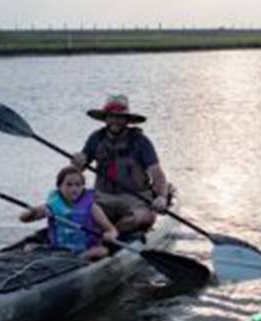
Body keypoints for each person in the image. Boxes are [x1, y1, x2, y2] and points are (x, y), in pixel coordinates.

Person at [73, 94, 170, 236]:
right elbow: (77, 171)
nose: (115, 121)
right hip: (102, 197)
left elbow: (157, 173)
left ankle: (109, 234)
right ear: (105, 119)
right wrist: (76, 163)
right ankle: (104, 233)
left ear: (127, 120)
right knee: (80, 215)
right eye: (111, 116)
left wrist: (161, 196)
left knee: (142, 218)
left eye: (119, 117)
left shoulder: (140, 141)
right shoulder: (96, 138)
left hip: (136, 198)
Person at [19, 165, 118, 262]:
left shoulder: (93, 208)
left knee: (102, 251)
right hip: (59, 249)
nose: (74, 189)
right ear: (59, 186)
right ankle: (64, 258)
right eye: (69, 185)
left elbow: (111, 230)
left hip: (85, 249)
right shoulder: (52, 206)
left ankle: (81, 258)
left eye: (78, 185)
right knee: (28, 247)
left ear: (83, 187)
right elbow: (23, 219)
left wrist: (110, 235)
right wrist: (32, 212)